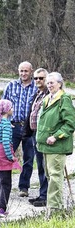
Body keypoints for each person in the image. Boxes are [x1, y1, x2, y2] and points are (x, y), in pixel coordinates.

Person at [36, 72, 75, 214]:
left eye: (52, 82)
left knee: (55, 177)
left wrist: (56, 136)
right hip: (45, 146)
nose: (49, 85)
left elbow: (70, 124)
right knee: (49, 177)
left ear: (60, 83)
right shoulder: (47, 98)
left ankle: (54, 210)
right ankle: (52, 207)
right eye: (48, 82)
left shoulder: (64, 99)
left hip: (57, 146)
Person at [2, 61, 37, 198]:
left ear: (31, 71)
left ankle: (24, 186)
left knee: (29, 157)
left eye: (26, 71)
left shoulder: (36, 87)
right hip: (13, 125)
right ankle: (2, 186)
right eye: (21, 71)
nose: (23, 74)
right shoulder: (11, 85)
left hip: (29, 126)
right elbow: (2, 105)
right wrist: (4, 123)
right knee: (6, 156)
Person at [24, 68, 49, 207]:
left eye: (41, 78)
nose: (38, 81)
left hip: (44, 135)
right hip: (35, 134)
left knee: (45, 166)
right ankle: (42, 194)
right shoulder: (37, 93)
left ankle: (45, 196)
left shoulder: (49, 94)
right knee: (39, 165)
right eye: (36, 78)